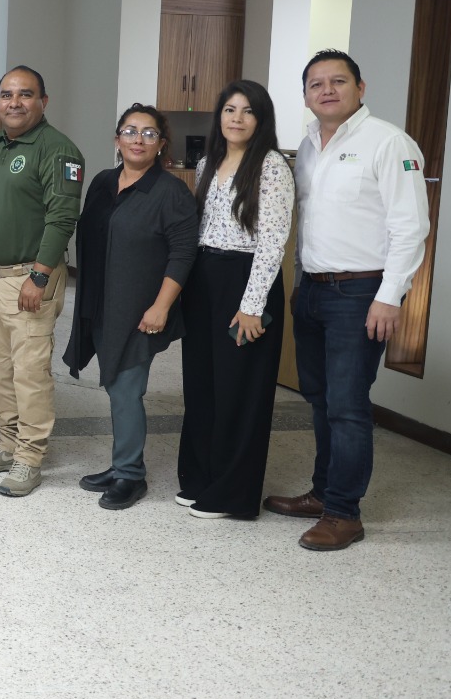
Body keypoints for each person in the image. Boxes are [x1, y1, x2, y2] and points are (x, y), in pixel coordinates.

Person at [264, 50, 429, 551]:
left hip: (361, 293)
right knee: (320, 400)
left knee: (348, 406)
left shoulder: (388, 142)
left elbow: (411, 227)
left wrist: (389, 297)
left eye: (338, 81)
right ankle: (322, 493)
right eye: (316, 84)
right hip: (313, 290)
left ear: (361, 87)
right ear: (306, 96)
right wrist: (300, 284)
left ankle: (343, 513)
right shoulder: (307, 146)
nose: (327, 90)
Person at [63, 104, 199, 511]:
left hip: (140, 309)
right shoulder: (103, 182)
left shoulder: (171, 192)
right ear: (117, 139)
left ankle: (130, 474)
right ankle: (121, 462)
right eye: (130, 131)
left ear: (161, 144)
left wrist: (161, 307)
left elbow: (183, 254)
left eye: (149, 133)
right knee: (115, 384)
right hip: (100, 302)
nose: (138, 139)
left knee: (125, 387)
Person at [0, 65, 83, 498]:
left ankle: (30, 458)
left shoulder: (58, 150)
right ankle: (8, 444)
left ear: (43, 101)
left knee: (30, 373)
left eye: (25, 94)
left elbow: (63, 217)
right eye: (6, 94)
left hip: (29, 279)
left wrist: (40, 275)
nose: (14, 103)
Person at [177, 80, 294, 520]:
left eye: (248, 111)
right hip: (205, 278)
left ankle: (231, 495)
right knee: (202, 383)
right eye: (230, 109)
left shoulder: (272, 166)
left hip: (246, 282)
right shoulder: (208, 161)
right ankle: (200, 478)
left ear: (261, 119)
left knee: (239, 390)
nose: (237, 118)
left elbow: (273, 241)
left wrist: (251, 306)